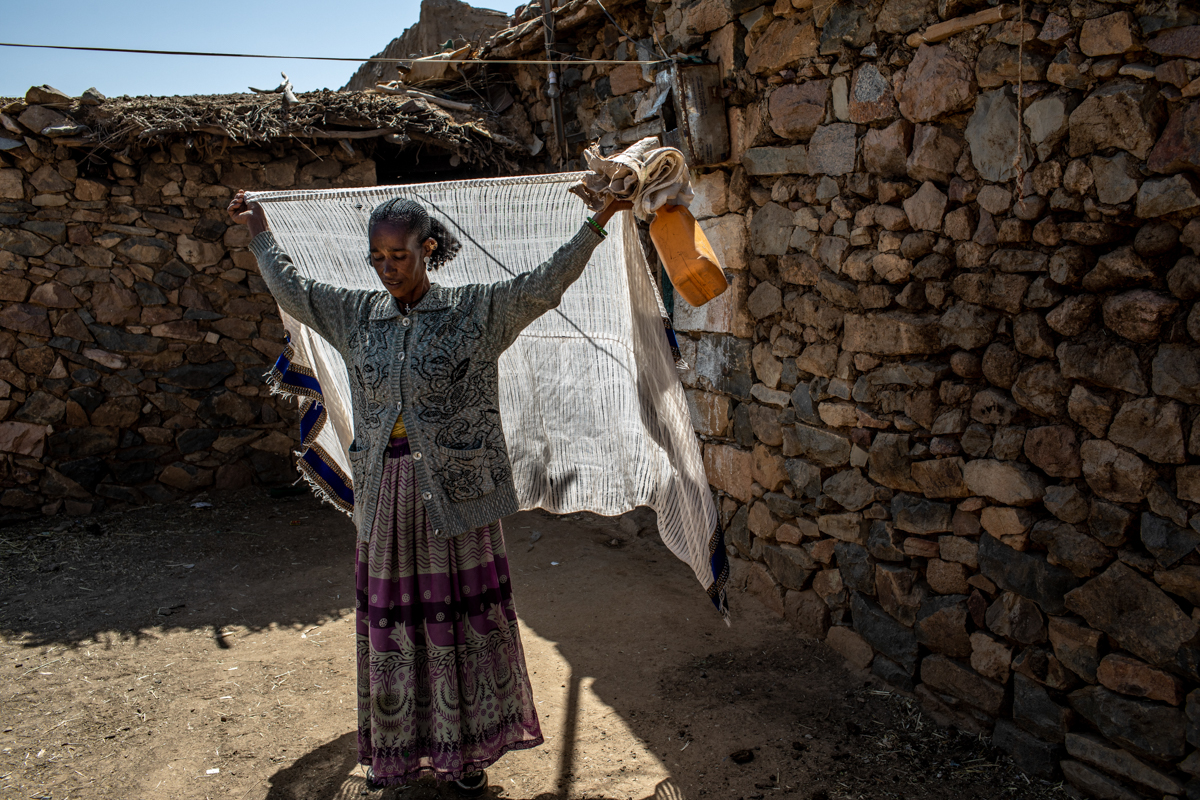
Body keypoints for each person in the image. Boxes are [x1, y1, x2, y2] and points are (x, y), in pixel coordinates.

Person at [227, 189, 630, 796]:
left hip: (457, 498)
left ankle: (468, 754)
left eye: (400, 255)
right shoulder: (357, 315)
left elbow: (545, 284)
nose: (388, 268)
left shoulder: (476, 311)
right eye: (378, 258)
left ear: (429, 248)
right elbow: (294, 291)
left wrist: (598, 220)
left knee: (462, 625)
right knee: (394, 625)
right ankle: (396, 752)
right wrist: (259, 232)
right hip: (385, 493)